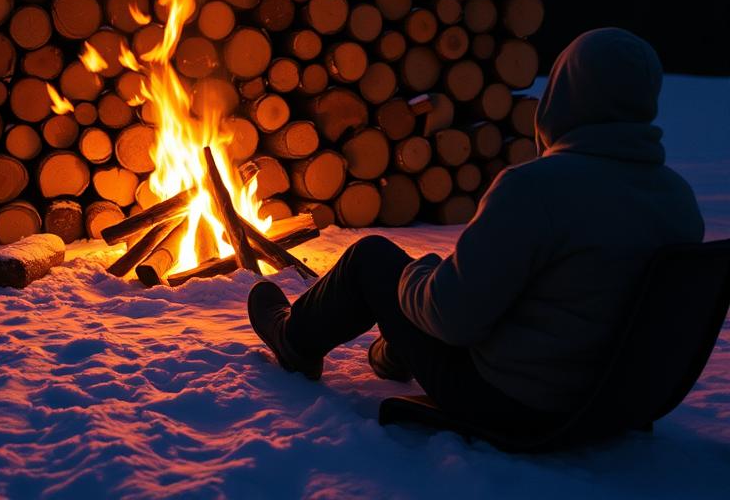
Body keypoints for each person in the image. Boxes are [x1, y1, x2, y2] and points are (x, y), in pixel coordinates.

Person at [248, 28, 705, 430]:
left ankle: (296, 341)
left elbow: (451, 317)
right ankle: (395, 351)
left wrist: (419, 274)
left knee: (373, 259)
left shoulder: (536, 189)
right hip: (613, 402)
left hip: (510, 399)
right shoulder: (677, 198)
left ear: (564, 96)